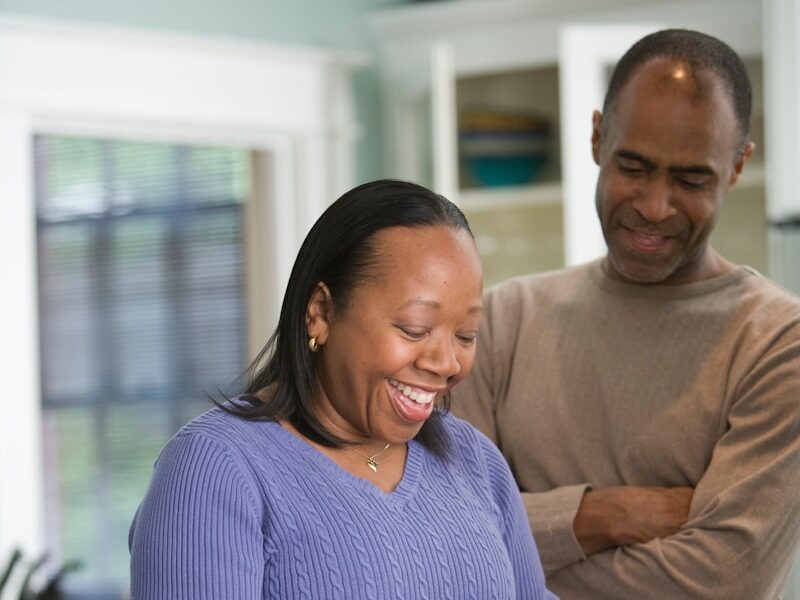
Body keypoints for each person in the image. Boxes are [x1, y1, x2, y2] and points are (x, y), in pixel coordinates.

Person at [451, 28, 800, 599]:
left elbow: (725, 582)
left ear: (737, 168)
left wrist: (517, 540)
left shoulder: (778, 344)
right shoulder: (503, 321)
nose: (654, 206)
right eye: (633, 167)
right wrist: (601, 516)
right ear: (596, 138)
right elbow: (448, 536)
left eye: (692, 179)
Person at [129, 179, 556, 599]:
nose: (446, 363)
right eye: (414, 329)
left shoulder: (473, 458)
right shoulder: (215, 467)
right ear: (321, 312)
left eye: (466, 335)